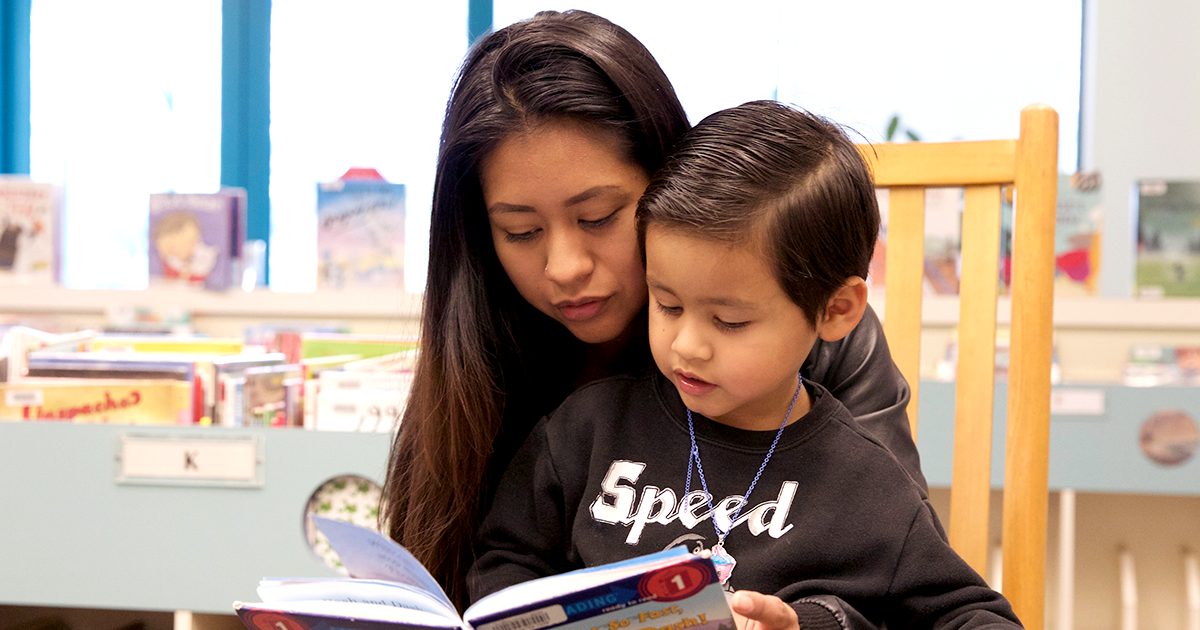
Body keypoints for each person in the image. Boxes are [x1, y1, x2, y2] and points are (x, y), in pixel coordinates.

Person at [380, 9, 924, 612]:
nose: (565, 267)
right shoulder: (489, 350)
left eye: (598, 218)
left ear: (669, 189)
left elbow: (900, 593)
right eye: (521, 231)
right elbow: (474, 575)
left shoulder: (814, 333)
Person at [468, 101, 1020, 630]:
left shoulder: (867, 484)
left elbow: (968, 614)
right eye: (668, 305)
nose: (687, 344)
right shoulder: (586, 430)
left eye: (729, 322)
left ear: (836, 310)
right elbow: (506, 560)